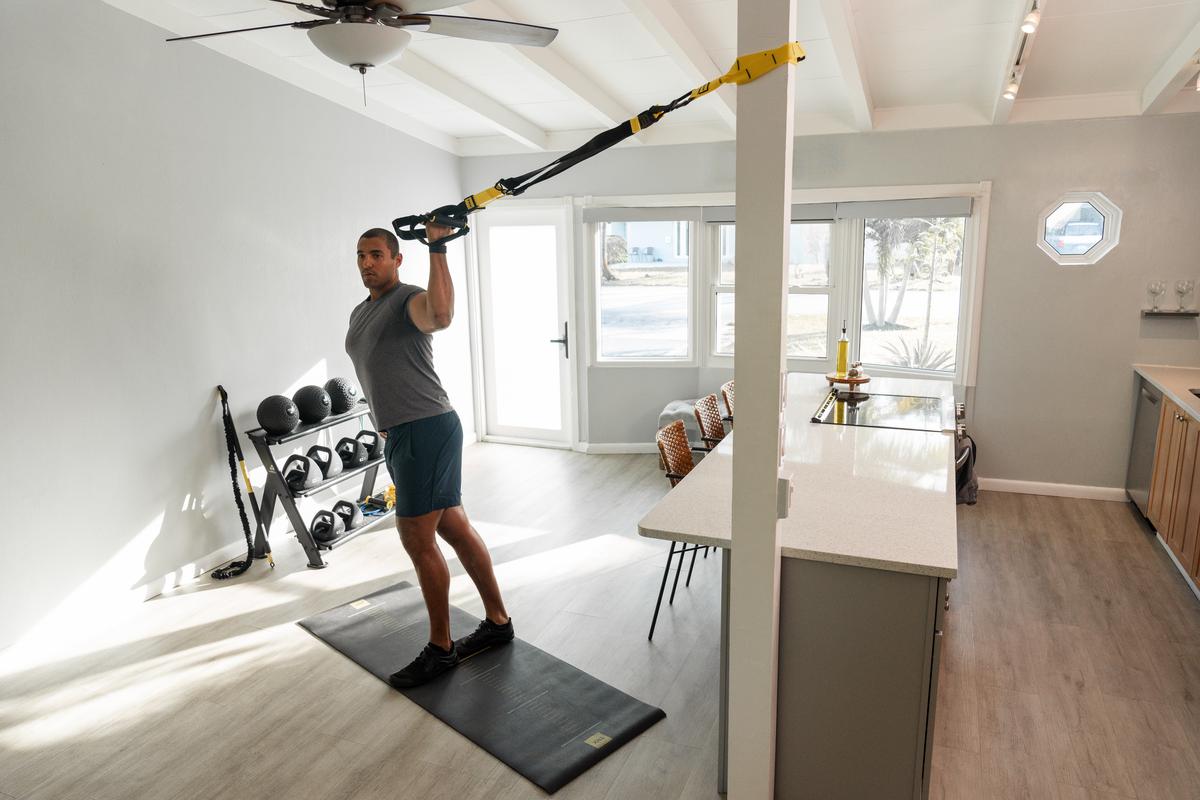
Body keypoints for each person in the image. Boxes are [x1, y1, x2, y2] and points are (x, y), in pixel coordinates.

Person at [345, 225, 513, 688]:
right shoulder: (362, 312)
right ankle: (498, 622)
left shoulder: (408, 300)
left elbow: (440, 316)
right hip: (404, 435)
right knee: (453, 526)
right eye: (360, 256)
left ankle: (441, 649)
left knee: (419, 541)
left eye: (376, 255)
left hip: (426, 428)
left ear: (397, 259)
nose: (366, 263)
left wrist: (437, 247)